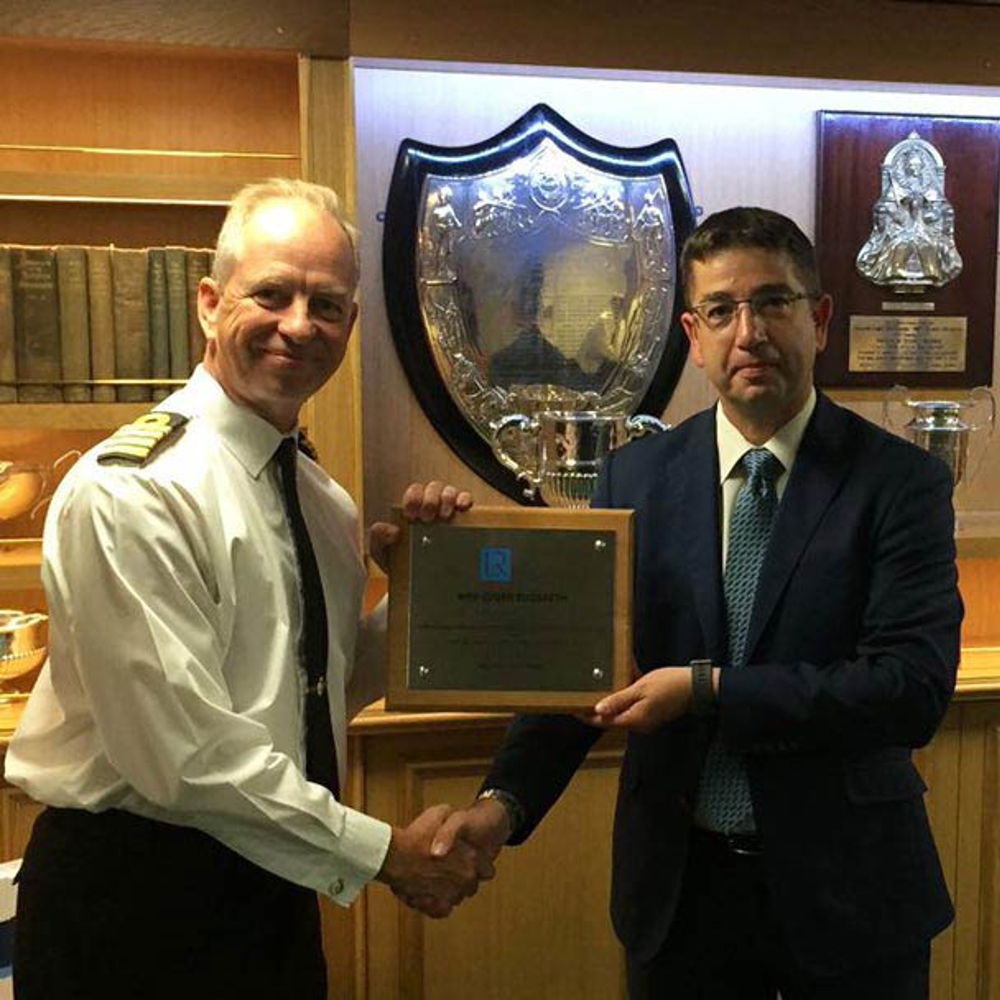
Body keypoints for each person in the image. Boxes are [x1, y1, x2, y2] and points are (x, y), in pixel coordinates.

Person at [431, 207, 962, 999]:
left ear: (818, 319)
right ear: (693, 330)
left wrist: (706, 689)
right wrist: (501, 807)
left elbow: (909, 690)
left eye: (773, 302)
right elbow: (582, 670)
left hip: (851, 896)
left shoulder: (900, 484)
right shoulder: (633, 481)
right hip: (681, 898)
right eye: (721, 309)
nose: (748, 332)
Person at [5, 178, 491, 1000]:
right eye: (271, 293)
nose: (299, 325)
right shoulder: (134, 490)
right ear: (207, 303)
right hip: (133, 902)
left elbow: (318, 684)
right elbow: (186, 759)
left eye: (327, 304)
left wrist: (422, 594)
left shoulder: (318, 498)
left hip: (272, 884)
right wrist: (385, 854)